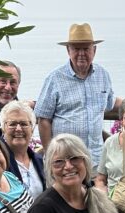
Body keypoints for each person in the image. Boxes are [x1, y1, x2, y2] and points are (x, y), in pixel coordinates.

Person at [35, 24, 117, 167]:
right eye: (76, 49)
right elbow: (43, 120)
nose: (81, 53)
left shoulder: (103, 75)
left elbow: (111, 102)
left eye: (86, 48)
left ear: (94, 50)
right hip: (65, 163)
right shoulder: (55, 78)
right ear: (68, 50)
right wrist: (50, 156)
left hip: (95, 161)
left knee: (95, 190)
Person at [0, 100, 45, 199]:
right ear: (3, 129)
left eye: (24, 124)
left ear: (32, 129)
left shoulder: (40, 161)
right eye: (12, 124)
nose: (19, 129)